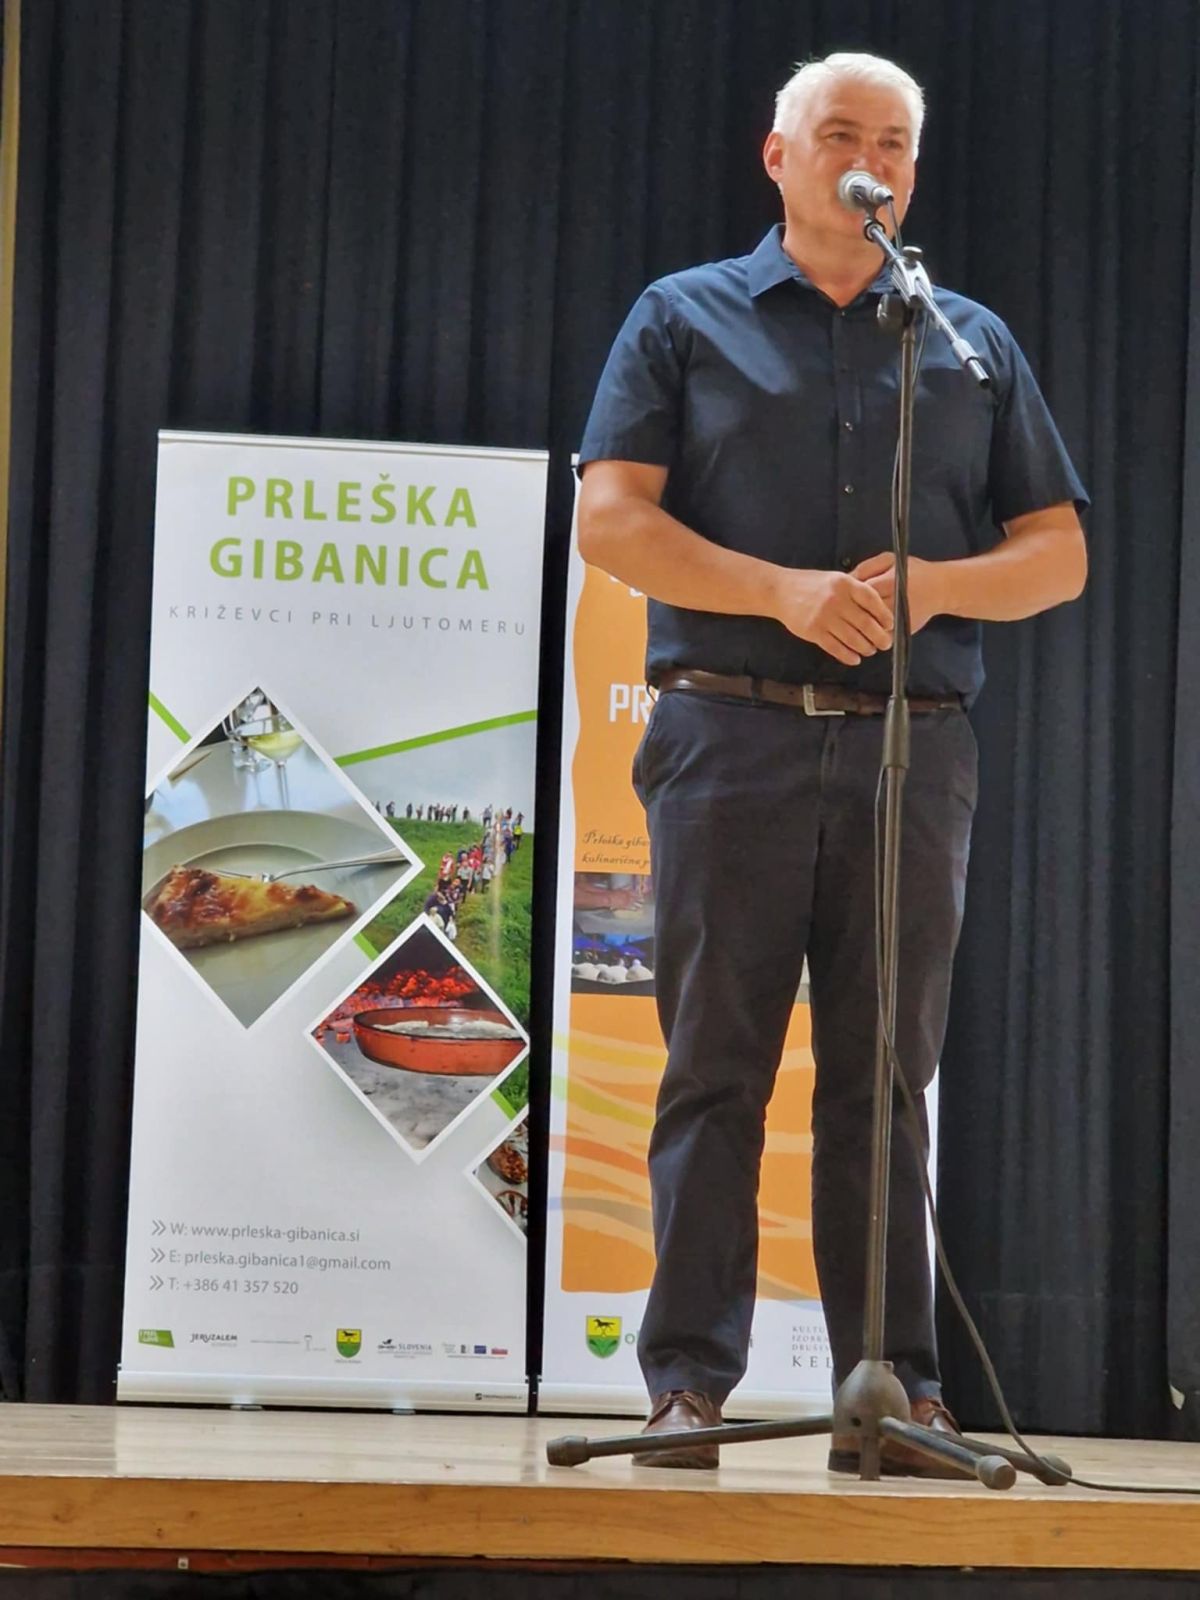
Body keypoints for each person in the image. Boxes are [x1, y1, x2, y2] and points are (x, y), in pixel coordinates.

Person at [576, 51, 1087, 1474]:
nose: (873, 160)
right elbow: (611, 521)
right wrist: (783, 593)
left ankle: (897, 1391)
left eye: (897, 142)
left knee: (887, 1077)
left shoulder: (969, 343)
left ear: (913, 171)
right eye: (844, 134)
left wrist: (932, 587)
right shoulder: (682, 316)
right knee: (715, 1068)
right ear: (780, 155)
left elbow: (1058, 554)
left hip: (912, 751)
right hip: (729, 734)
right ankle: (688, 1386)